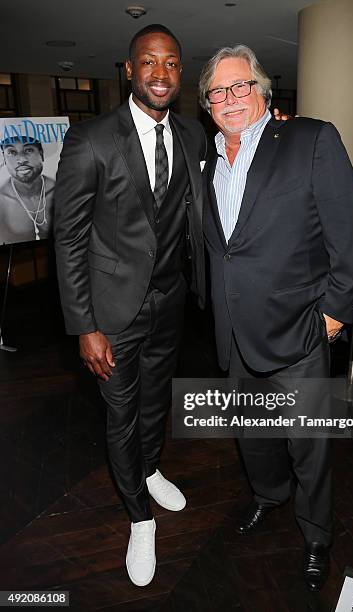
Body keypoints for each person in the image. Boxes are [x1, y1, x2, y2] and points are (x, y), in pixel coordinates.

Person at [199, 45, 353, 591]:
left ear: (262, 91)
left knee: (308, 445)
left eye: (240, 86)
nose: (230, 99)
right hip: (235, 337)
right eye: (218, 92)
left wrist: (335, 316)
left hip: (300, 332)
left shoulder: (309, 139)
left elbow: (349, 233)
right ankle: (269, 496)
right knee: (253, 437)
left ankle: (317, 534)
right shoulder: (206, 160)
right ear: (206, 104)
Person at [54, 24, 207, 587]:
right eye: (149, 62)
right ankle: (139, 519)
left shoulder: (191, 136)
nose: (160, 73)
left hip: (170, 305)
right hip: (111, 314)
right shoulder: (91, 139)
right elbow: (68, 239)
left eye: (170, 64)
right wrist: (85, 325)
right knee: (120, 415)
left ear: (179, 74)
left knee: (153, 403)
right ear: (129, 69)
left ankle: (151, 468)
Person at [0, 136, 55, 244]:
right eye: (12, 152)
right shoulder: (2, 199)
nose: (21, 160)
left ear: (41, 154)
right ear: (4, 159)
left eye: (28, 150)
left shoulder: (61, 190)